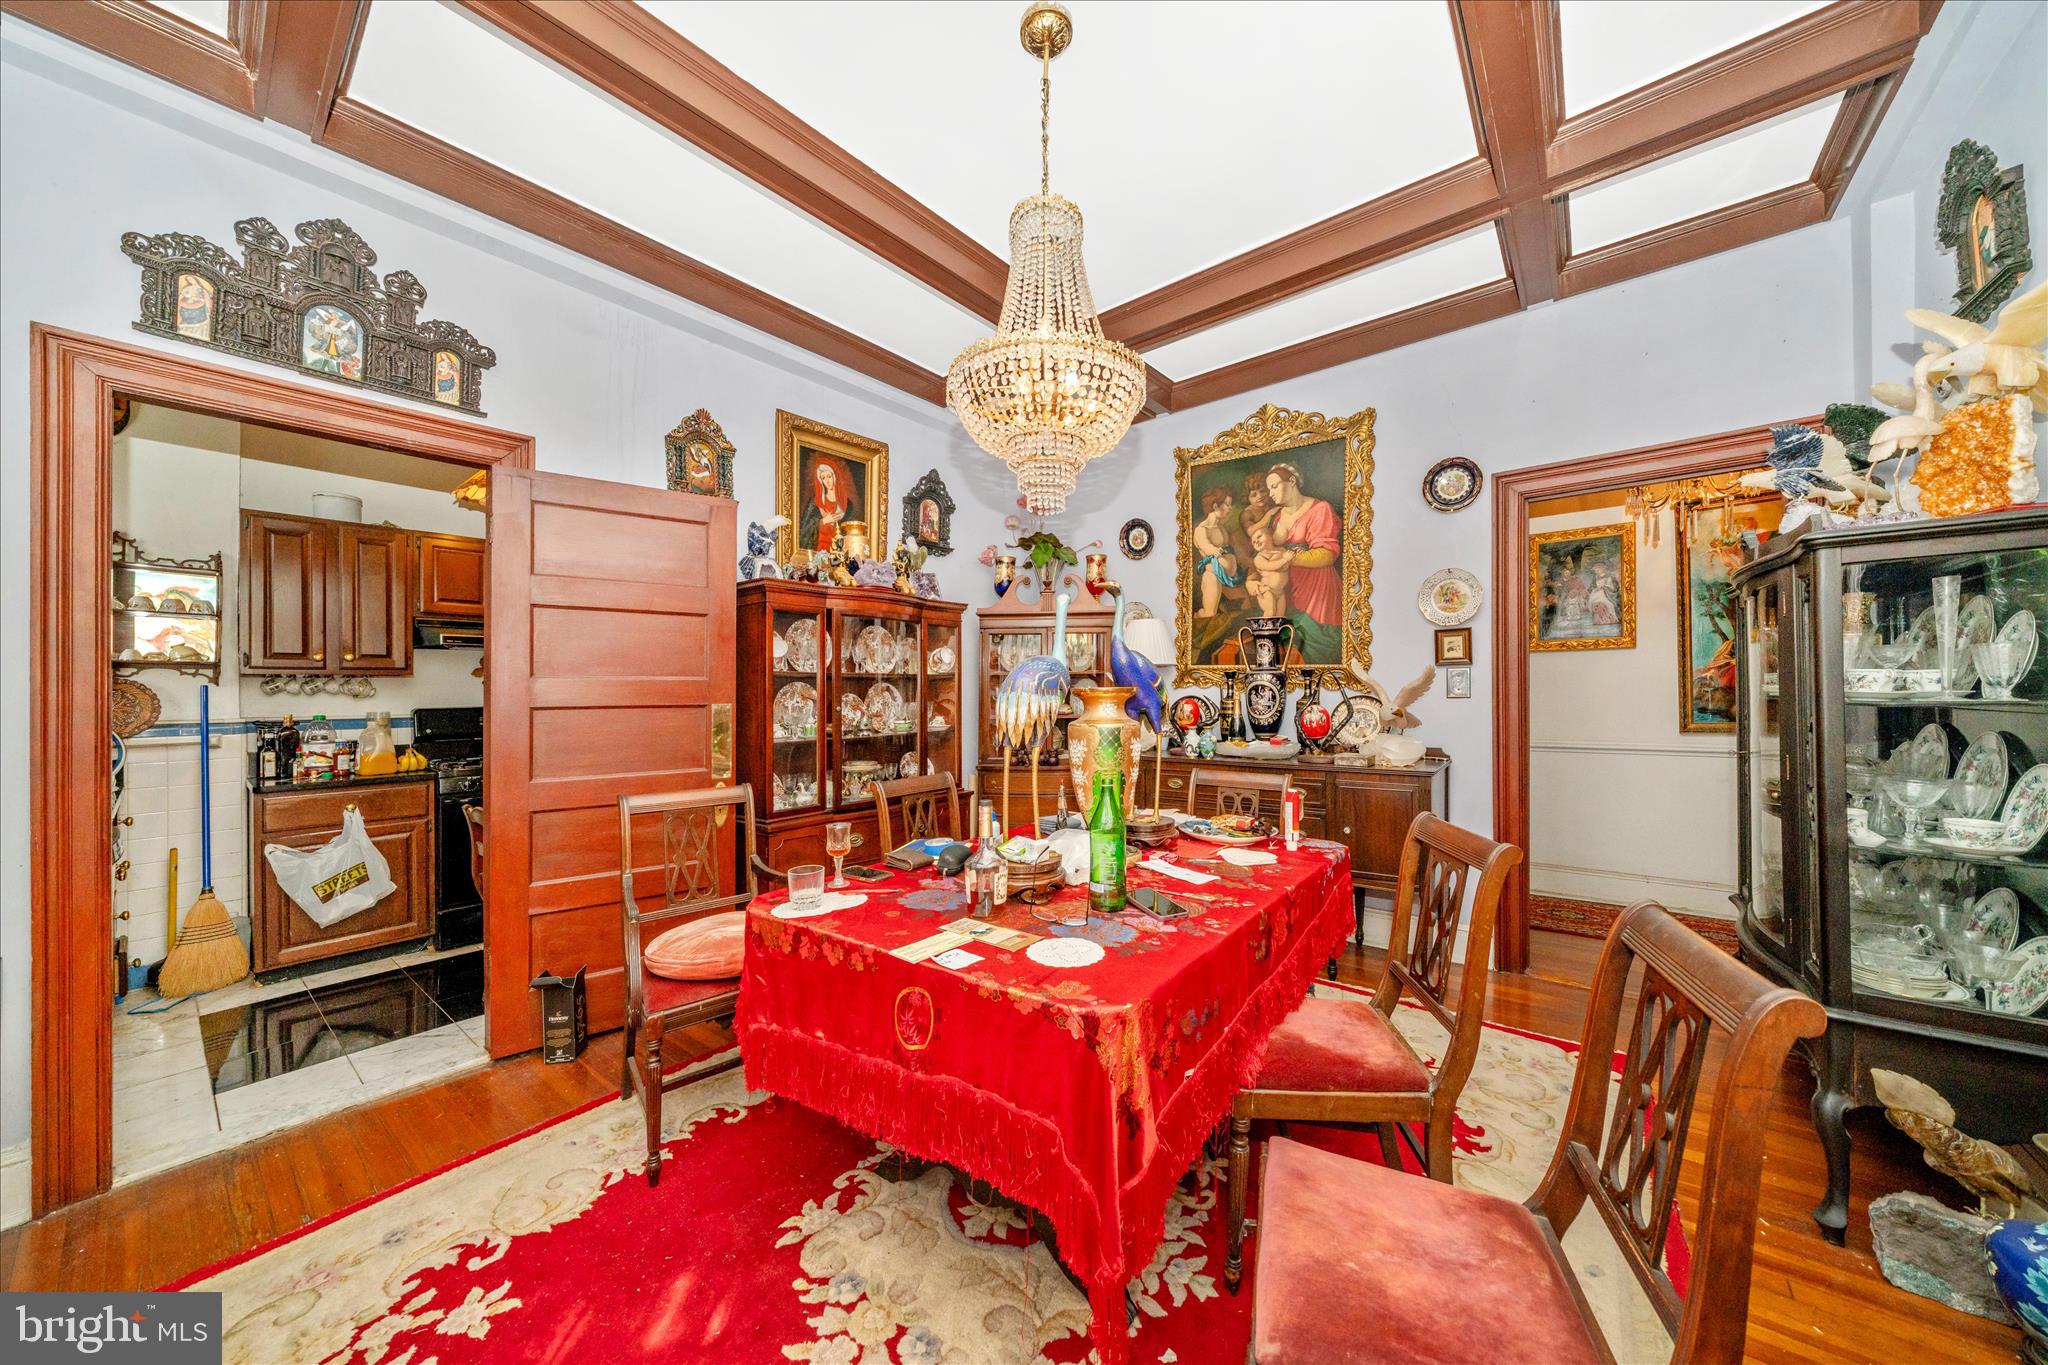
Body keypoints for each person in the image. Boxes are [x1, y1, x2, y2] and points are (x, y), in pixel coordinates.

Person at [1263, 463, 1341, 627]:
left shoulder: (1320, 509)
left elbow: (1327, 554)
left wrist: (1286, 558)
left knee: (1313, 638)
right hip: (1287, 587)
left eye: (1274, 487)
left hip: (1317, 587)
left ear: (1292, 481)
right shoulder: (1276, 518)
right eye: (1269, 489)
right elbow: (1264, 550)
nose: (1271, 494)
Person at [1192, 488, 1242, 618]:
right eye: (1227, 504)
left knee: (1242, 610)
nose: (1230, 508)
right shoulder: (1201, 529)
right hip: (1213, 577)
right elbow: (1206, 547)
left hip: (1231, 579)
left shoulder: (1221, 527)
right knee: (1209, 614)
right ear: (1215, 506)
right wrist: (1215, 550)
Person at [799, 457, 858, 553]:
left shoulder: (848, 505)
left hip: (839, 556)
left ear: (835, 477)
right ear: (820, 481)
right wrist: (823, 522)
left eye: (829, 476)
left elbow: (850, 534)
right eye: (823, 478)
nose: (827, 481)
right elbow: (804, 531)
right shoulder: (814, 502)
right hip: (819, 553)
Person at [1244, 520, 1292, 618]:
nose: (1256, 541)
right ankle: (1264, 632)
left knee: (1280, 616)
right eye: (1253, 542)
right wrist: (1284, 559)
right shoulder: (1259, 558)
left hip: (1280, 592)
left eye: (1259, 536)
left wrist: (1285, 560)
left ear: (1271, 536)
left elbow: (1287, 566)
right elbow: (1270, 566)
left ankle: (1277, 633)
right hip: (1266, 590)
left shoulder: (1281, 550)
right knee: (1270, 612)